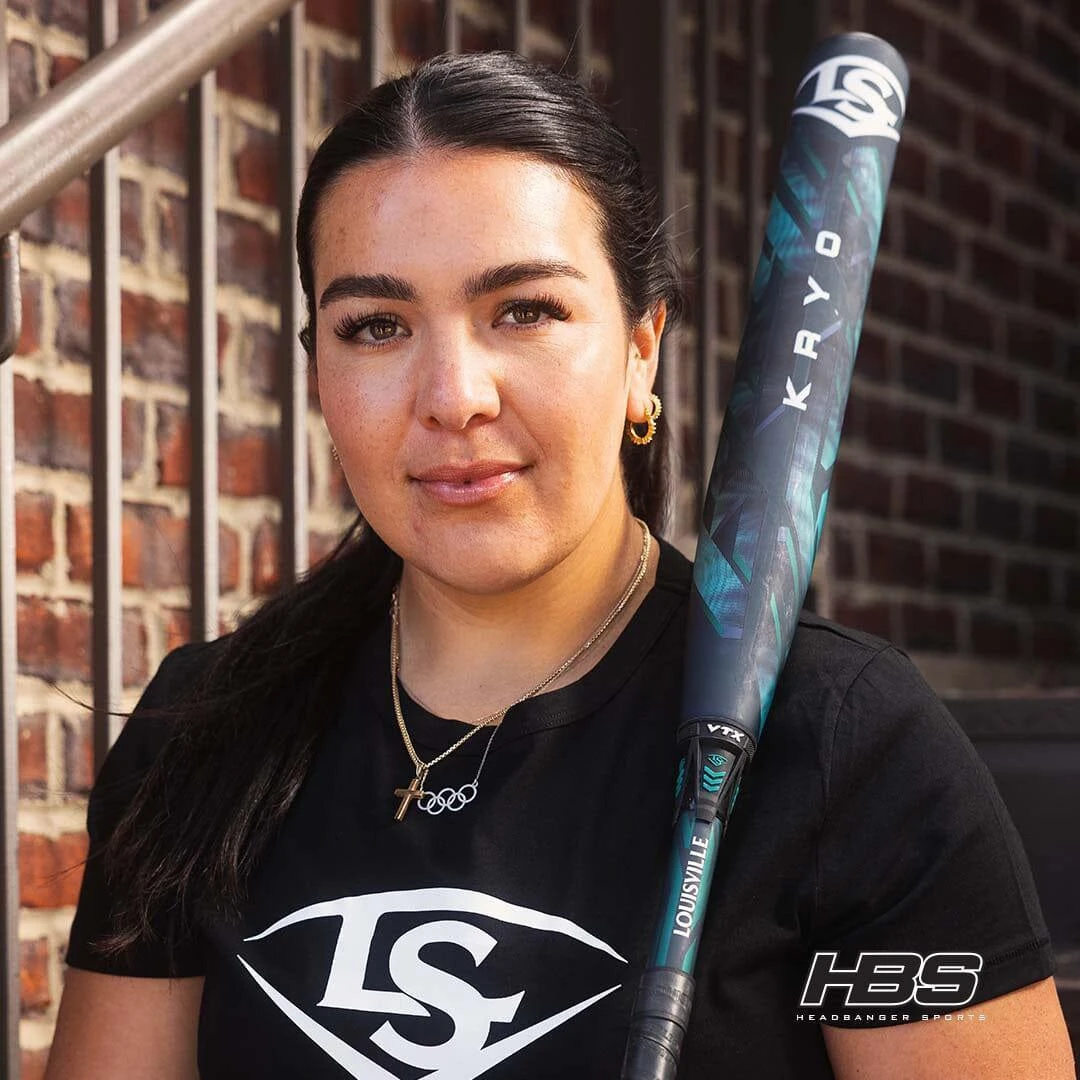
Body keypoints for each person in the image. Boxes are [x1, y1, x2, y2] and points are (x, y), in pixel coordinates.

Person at [45, 51, 1073, 1080]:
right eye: (377, 327)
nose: (455, 397)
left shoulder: (842, 743)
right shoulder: (206, 733)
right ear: (319, 374)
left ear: (641, 350)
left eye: (524, 310)